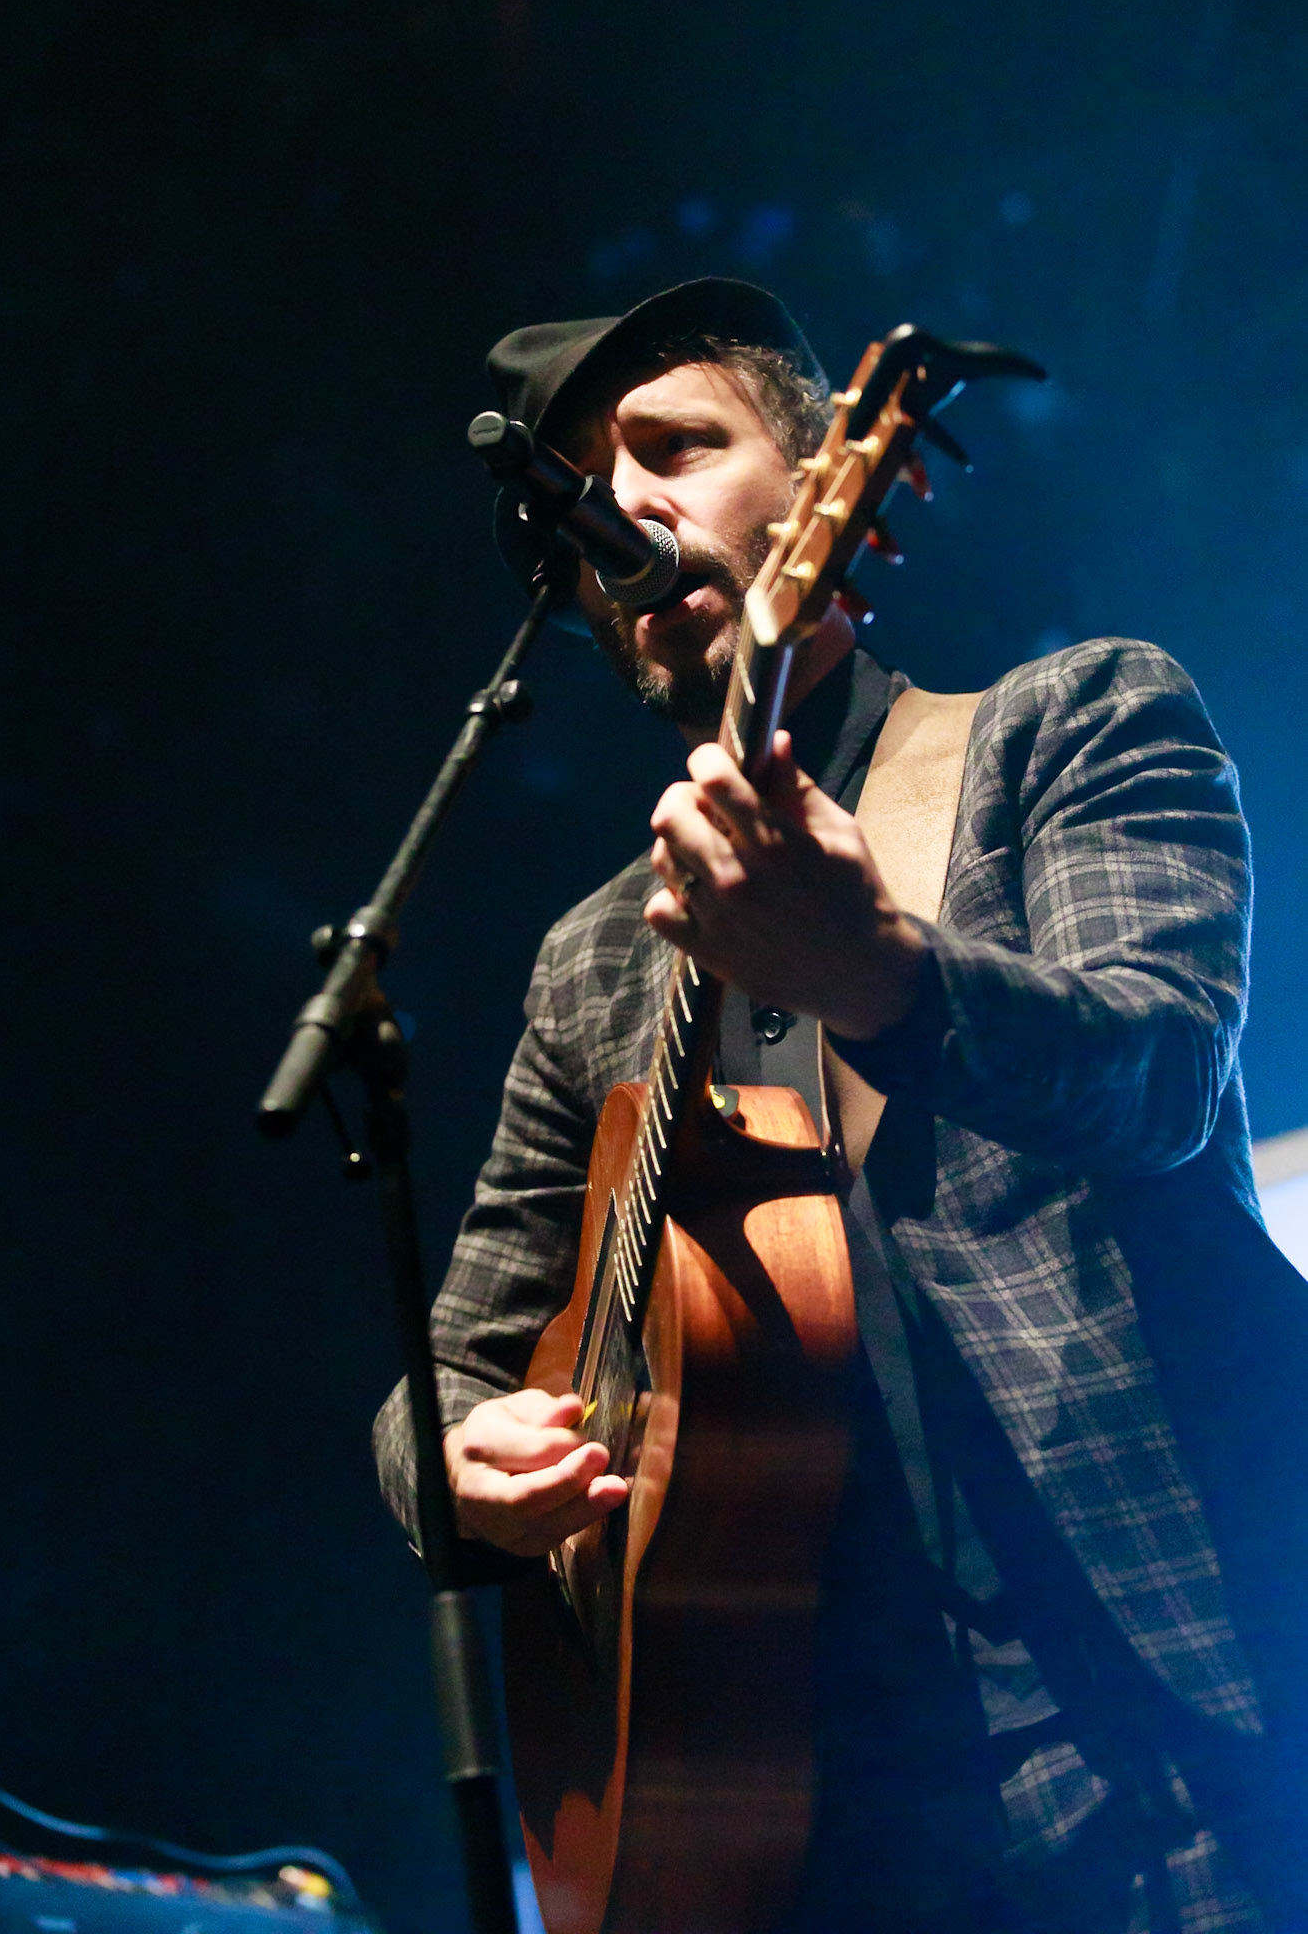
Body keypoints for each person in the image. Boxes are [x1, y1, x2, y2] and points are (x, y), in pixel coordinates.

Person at [374, 279, 1308, 1932]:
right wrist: (456, 1460)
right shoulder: (591, 963)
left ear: (821, 483)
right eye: (587, 492)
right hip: (787, 1809)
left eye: (674, 448)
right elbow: (455, 1360)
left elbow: (1159, 1076)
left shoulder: (1062, 731)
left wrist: (889, 976)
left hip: (1174, 1745)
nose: (627, 509)